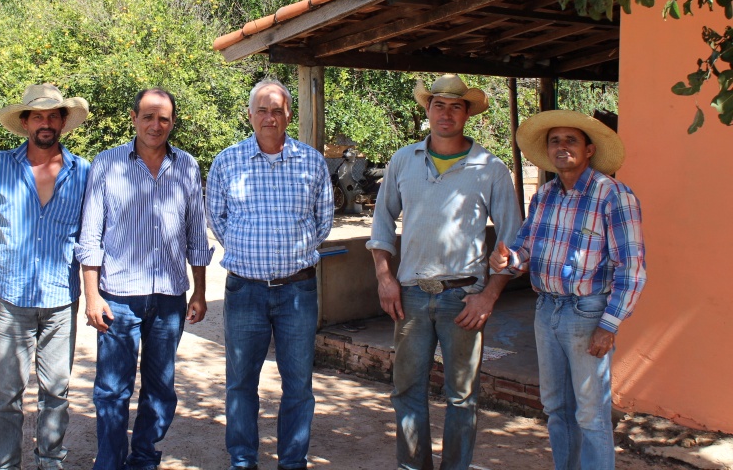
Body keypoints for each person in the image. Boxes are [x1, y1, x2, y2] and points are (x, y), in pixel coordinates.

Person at [366, 74, 522, 470]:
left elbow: (513, 241)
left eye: (456, 106)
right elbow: (382, 225)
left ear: (467, 113)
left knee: (462, 397)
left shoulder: (490, 168)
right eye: (439, 105)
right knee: (407, 391)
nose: (446, 113)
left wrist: (489, 295)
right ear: (428, 110)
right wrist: (386, 278)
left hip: (464, 297)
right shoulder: (404, 160)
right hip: (412, 295)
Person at [491, 110, 646, 470]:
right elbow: (526, 251)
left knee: (591, 413)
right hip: (546, 310)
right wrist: (508, 260)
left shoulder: (614, 196)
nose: (562, 147)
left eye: (570, 140)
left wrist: (609, 324)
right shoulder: (544, 195)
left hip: (587, 313)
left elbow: (632, 268)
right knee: (556, 408)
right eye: (555, 141)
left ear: (589, 149)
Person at [77, 88, 211, 470]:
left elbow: (195, 236)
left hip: (169, 298)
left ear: (172, 123)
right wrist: (92, 296)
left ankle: (144, 459)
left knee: (160, 390)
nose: (156, 125)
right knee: (112, 390)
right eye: (149, 116)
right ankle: (110, 462)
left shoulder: (186, 165)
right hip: (118, 298)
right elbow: (91, 237)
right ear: (134, 118)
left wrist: (199, 293)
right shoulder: (106, 163)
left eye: (164, 118)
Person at [206, 78, 334, 470]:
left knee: (298, 385)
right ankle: (243, 460)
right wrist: (250, 250)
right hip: (245, 290)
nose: (269, 117)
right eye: (261, 109)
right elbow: (217, 219)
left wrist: (289, 250)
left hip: (298, 291)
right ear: (249, 115)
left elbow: (323, 221)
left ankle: (292, 461)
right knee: (242, 383)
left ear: (289, 115)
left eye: (277, 110)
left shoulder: (311, 161)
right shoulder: (227, 162)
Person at [0, 84, 92, 470]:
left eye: (53, 115)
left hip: (61, 300)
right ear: (26, 121)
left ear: (63, 121)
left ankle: (50, 461)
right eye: (38, 115)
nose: (45, 123)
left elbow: (92, 235)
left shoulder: (84, 173)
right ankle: (4, 464)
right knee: (8, 393)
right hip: (11, 297)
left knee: (56, 391)